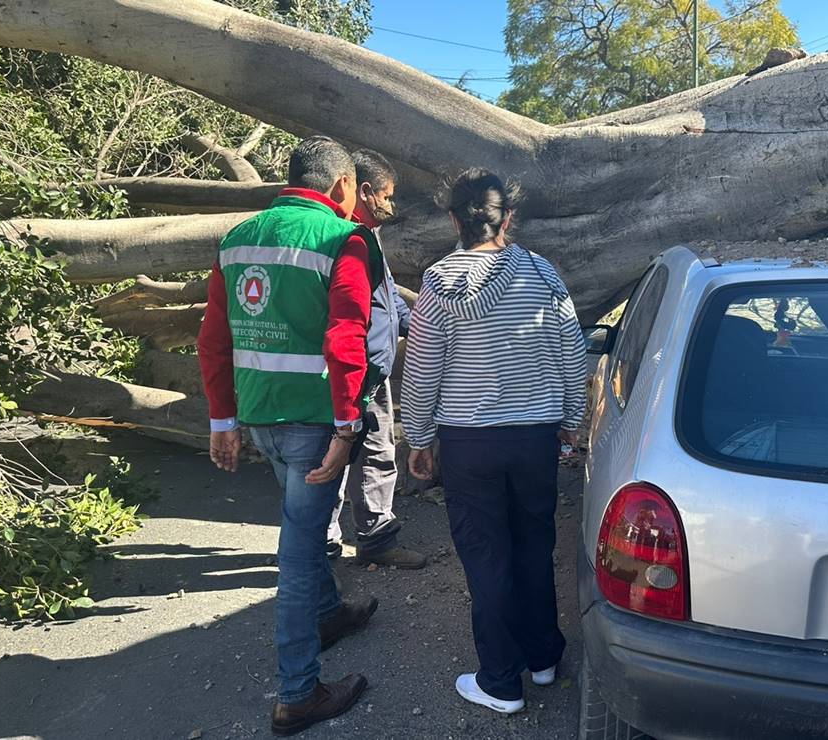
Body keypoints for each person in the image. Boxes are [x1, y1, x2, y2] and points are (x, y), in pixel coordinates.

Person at [197, 136, 383, 736]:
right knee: (299, 555)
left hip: (260, 417)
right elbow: (346, 339)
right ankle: (298, 693)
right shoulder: (343, 239)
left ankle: (328, 615)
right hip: (315, 424)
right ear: (340, 188)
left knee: (301, 529)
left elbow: (215, 340)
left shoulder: (236, 239)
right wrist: (349, 425)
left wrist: (222, 420)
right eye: (355, 189)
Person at [401, 168, 588, 714]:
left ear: (455, 219)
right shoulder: (541, 273)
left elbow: (423, 368)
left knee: (485, 555)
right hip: (534, 439)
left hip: (469, 444)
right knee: (534, 544)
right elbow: (571, 352)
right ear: (507, 217)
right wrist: (571, 420)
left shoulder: (437, 283)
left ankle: (501, 681)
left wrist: (418, 437)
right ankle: (544, 657)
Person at [325, 149, 427, 570]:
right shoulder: (340, 238)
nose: (392, 204)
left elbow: (386, 299)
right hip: (352, 371)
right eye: (388, 195)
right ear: (364, 192)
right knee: (334, 459)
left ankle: (376, 539)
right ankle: (326, 544)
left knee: (379, 452)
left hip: (373, 371)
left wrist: (418, 327)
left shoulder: (368, 239)